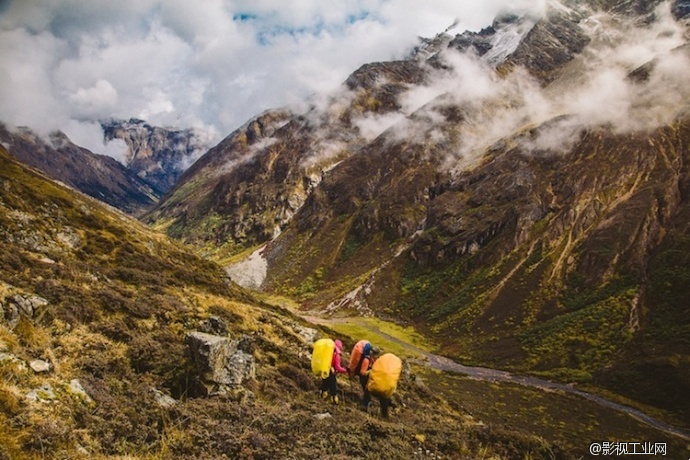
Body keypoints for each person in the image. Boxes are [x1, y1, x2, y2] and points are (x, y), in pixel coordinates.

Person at [320, 339, 348, 404]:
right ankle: (334, 399)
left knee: (325, 383)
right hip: (331, 371)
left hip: (325, 368)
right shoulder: (336, 355)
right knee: (333, 385)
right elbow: (337, 367)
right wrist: (345, 370)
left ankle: (322, 395)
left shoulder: (328, 351)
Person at [359, 346, 379, 411]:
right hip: (364, 378)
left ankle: (365, 405)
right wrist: (371, 371)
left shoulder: (373, 360)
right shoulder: (366, 360)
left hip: (368, 379)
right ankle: (364, 406)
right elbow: (362, 372)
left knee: (368, 392)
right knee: (367, 391)